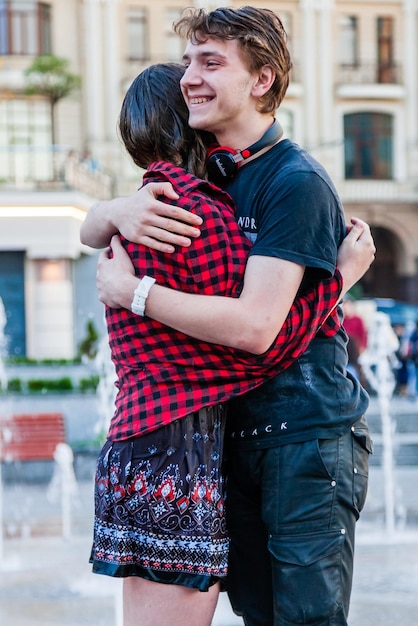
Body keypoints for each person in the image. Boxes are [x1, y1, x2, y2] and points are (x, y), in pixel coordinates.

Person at [80, 7, 376, 625]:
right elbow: (94, 231)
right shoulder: (204, 177)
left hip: (305, 438)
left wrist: (131, 291)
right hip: (226, 436)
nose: (190, 76)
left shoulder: (295, 181)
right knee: (261, 617)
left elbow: (254, 330)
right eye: (189, 61)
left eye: (211, 62)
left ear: (261, 79)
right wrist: (114, 210)